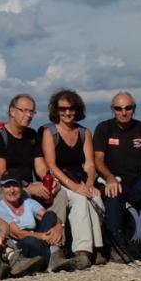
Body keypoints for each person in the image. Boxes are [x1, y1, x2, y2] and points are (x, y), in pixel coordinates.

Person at [93, 92, 141, 262]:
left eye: (128, 108)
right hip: (112, 180)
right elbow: (97, 159)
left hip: (136, 181)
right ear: (113, 110)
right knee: (113, 194)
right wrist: (110, 178)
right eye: (118, 108)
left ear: (134, 109)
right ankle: (117, 246)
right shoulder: (104, 128)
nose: (123, 112)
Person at [39, 89, 103, 270]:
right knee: (80, 199)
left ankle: (97, 248)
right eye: (63, 109)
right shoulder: (49, 132)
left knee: (95, 197)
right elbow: (51, 165)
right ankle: (82, 251)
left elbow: (90, 163)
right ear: (56, 110)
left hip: (81, 178)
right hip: (61, 180)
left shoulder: (84, 133)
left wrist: (90, 183)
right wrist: (74, 187)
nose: (67, 113)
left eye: (71, 109)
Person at [0, 178, 61, 275]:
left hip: (40, 240)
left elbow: (52, 218)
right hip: (21, 244)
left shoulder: (28, 202)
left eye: (15, 186)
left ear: (21, 187)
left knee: (50, 215)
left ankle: (52, 256)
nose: (12, 190)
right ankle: (52, 258)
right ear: (1, 189)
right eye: (7, 186)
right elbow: (17, 234)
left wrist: (58, 227)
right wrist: (42, 236)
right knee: (30, 240)